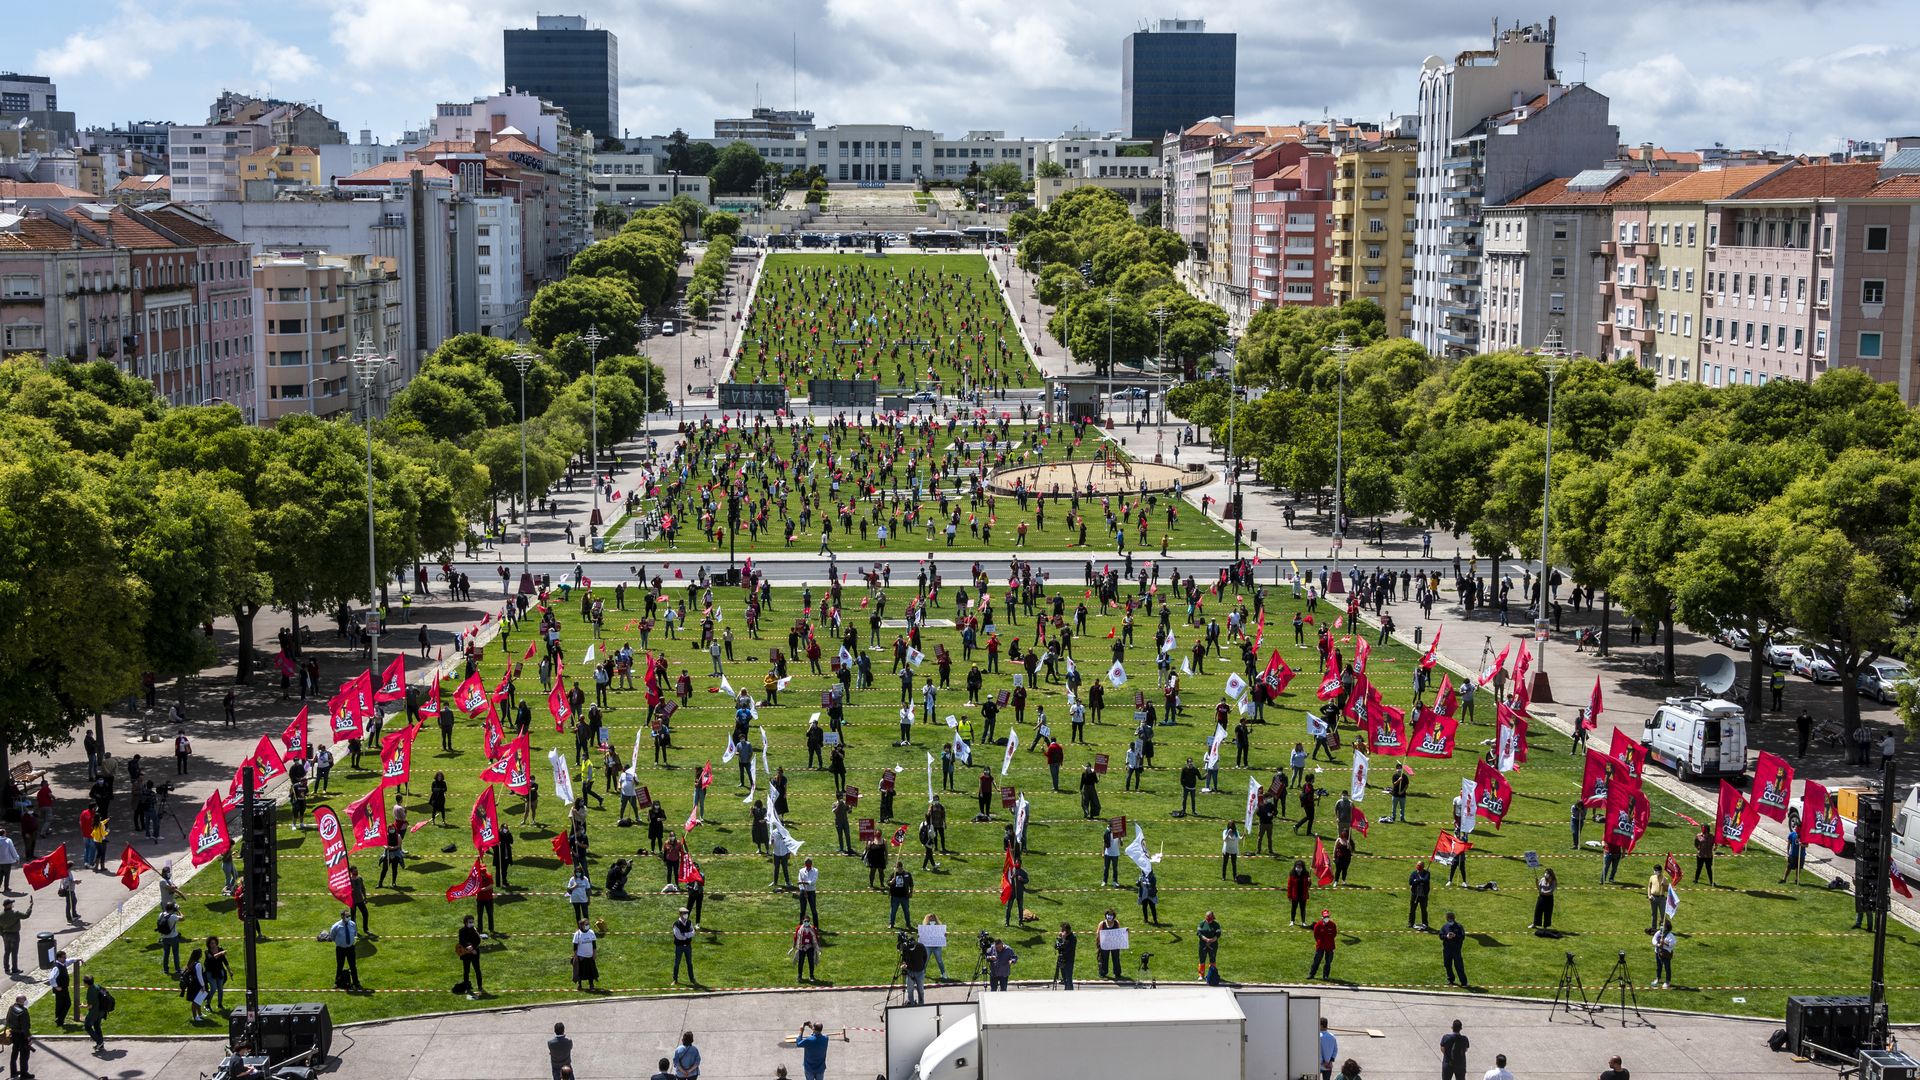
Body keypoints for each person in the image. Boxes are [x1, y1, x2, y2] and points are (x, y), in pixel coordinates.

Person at [328, 909, 361, 990]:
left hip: (350, 948)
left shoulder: (352, 924)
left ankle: (356, 982)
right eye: (347, 916)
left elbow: (354, 933)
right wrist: (340, 942)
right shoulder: (336, 926)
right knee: (340, 965)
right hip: (340, 949)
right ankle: (337, 982)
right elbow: (332, 936)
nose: (349, 917)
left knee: (353, 966)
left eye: (349, 916)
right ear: (342, 916)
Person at [1439, 911, 1468, 987]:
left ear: (1454, 918)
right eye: (1448, 917)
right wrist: (1446, 936)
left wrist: (1455, 936)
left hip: (1456, 950)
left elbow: (1462, 937)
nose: (1450, 919)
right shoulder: (1444, 927)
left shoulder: (1459, 927)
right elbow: (1441, 936)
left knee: (1459, 966)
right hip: (1447, 950)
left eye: (1451, 917)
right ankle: (1451, 980)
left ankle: (1464, 982)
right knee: (1447, 965)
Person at [458, 914, 483, 997]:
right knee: (466, 971)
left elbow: (478, 941)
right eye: (470, 922)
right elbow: (462, 941)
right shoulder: (461, 931)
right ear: (465, 922)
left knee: (477, 970)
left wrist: (473, 948)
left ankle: (480, 986)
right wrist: (470, 948)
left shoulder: (475, 930)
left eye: (472, 922)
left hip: (475, 953)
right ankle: (467, 987)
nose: (472, 923)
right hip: (466, 954)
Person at [901, 931, 930, 1002]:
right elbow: (903, 958)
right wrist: (904, 963)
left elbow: (925, 957)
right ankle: (911, 1004)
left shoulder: (921, 946)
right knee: (910, 990)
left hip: (920, 972)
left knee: (920, 990)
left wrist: (922, 966)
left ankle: (921, 1004)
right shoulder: (906, 947)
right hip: (909, 971)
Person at [6, 993, 29, 1079]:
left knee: (14, 1054)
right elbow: (25, 1027)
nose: (26, 1001)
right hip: (22, 1035)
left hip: (14, 1034)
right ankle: (24, 1074)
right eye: (25, 999)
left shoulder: (11, 1008)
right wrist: (28, 1037)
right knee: (24, 1055)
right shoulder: (23, 1011)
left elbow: (7, 1020)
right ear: (21, 1001)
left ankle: (13, 1073)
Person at [1308, 908, 1337, 979]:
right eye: (1325, 917)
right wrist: (1319, 941)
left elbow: (1334, 934)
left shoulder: (1332, 925)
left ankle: (1325, 976)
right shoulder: (1318, 925)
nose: (1326, 918)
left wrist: (1329, 940)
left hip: (1330, 946)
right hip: (1320, 945)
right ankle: (1312, 974)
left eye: (1327, 917)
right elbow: (1316, 935)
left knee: (1328, 962)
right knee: (1316, 960)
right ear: (1322, 917)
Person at [571, 918, 599, 990]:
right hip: (581, 956)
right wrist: (575, 956)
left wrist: (594, 953)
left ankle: (591, 985)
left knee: (591, 972)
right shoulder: (577, 934)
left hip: (590, 956)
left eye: (588, 924)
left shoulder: (591, 932)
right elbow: (575, 947)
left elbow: (594, 945)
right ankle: (579, 985)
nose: (587, 925)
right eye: (586, 924)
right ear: (581, 925)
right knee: (580, 972)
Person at [81, 972, 107, 1052]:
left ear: (86, 983)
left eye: (83, 982)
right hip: (101, 1010)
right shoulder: (97, 986)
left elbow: (90, 1006)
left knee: (87, 1026)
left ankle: (99, 1042)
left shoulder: (90, 991)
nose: (83, 984)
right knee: (97, 1026)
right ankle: (101, 1045)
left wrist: (83, 1006)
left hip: (95, 1012)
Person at [0, 897, 25, 976]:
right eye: (11, 903)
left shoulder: (1, 915)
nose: (12, 904)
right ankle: (15, 969)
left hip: (5, 935)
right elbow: (26, 915)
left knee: (7, 952)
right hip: (14, 935)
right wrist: (30, 908)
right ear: (7, 905)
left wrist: (2, 934)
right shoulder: (15, 913)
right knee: (14, 953)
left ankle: (6, 968)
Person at [792, 918, 821, 982]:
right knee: (800, 961)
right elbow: (795, 937)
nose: (806, 922)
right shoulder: (799, 928)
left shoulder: (813, 928)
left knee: (811, 961)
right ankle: (799, 976)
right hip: (801, 947)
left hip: (810, 947)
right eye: (805, 921)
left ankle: (811, 976)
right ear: (803, 921)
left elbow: (816, 937)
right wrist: (793, 946)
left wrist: (818, 947)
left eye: (807, 921)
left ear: (809, 922)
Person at [888, 861, 915, 927]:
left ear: (901, 867)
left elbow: (911, 884)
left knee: (906, 911)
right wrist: (891, 882)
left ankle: (908, 924)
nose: (897, 869)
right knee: (893, 911)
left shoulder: (907, 874)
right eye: (896, 868)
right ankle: (891, 923)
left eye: (898, 868)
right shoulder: (893, 874)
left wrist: (911, 892)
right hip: (895, 896)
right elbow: (888, 883)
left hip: (905, 897)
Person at [1408, 860, 1432, 930]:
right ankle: (1410, 923)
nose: (1419, 867)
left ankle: (1425, 924)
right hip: (1415, 895)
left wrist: (1417, 880)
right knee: (1412, 910)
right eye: (1418, 865)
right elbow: (1411, 882)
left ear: (1423, 866)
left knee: (1424, 910)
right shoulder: (1413, 873)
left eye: (1420, 865)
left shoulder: (1427, 873)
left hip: (1423, 895)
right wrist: (1420, 880)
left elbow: (1426, 880)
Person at [1651, 919, 1676, 988]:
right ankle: (1658, 978)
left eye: (1663, 925)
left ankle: (1668, 981)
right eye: (1661, 925)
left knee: (1667, 967)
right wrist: (1658, 944)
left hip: (1666, 954)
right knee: (1658, 966)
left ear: (1667, 927)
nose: (1661, 927)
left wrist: (1664, 942)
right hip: (1658, 952)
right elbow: (1653, 940)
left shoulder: (1670, 935)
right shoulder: (1658, 933)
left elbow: (1672, 944)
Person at [1288, 859, 1312, 926]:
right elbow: (1289, 885)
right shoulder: (1292, 873)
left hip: (1303, 895)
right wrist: (1289, 896)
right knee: (1293, 908)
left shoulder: (1306, 874)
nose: (1298, 868)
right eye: (1297, 866)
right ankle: (1292, 921)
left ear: (1302, 867)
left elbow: (1309, 885)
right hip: (1294, 895)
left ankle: (1303, 922)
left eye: (1300, 866)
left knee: (1303, 909)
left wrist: (1309, 881)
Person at [1053, 922, 1077, 990]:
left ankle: (1069, 991)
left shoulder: (1072, 938)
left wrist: (1063, 939)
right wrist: (1059, 938)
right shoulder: (1061, 937)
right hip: (1062, 960)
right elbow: (1056, 946)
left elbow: (1066, 948)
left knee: (1068, 979)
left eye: (1062, 930)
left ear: (1066, 931)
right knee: (1064, 979)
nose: (1061, 932)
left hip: (1068, 961)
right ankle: (1066, 990)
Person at [1646, 868, 1667, 934]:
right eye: (1654, 870)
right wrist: (1649, 895)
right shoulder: (1652, 877)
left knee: (1662, 914)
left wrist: (1664, 885)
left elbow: (1667, 889)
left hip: (1661, 898)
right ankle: (1653, 929)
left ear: (1660, 871)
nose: (1655, 872)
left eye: (1656, 870)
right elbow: (1649, 886)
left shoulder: (1664, 879)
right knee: (1654, 914)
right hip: (1653, 898)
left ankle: (1662, 929)